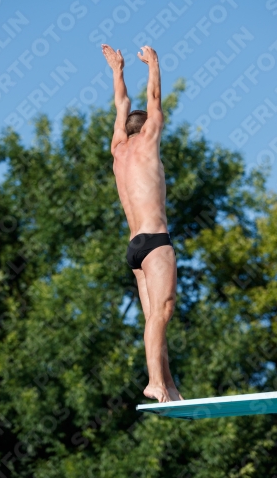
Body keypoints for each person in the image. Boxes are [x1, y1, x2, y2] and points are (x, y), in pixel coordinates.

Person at [102, 44, 184, 403]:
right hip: (155, 241)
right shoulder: (149, 141)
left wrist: (117, 71)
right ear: (147, 127)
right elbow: (154, 98)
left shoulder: (118, 148)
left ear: (125, 129)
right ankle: (155, 382)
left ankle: (169, 387)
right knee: (163, 313)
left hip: (134, 249)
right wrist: (154, 64)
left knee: (155, 319)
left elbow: (122, 105)